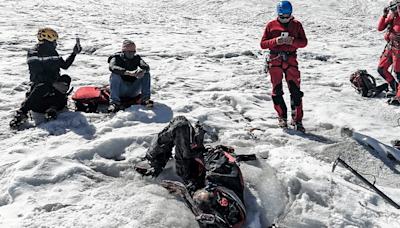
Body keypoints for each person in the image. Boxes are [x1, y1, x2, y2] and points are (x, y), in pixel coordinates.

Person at [134, 116, 249, 228]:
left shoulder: (212, 213)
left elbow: (201, 209)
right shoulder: (229, 193)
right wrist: (197, 149)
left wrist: (184, 192)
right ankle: (155, 159)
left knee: (180, 125)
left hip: (190, 172)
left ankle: (154, 161)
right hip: (201, 161)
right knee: (181, 125)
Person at [10, 27, 81, 128]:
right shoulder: (34, 53)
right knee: (43, 86)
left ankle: (53, 107)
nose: (56, 44)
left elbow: (64, 65)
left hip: (54, 86)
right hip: (41, 87)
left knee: (66, 78)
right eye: (54, 41)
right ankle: (23, 112)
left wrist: (74, 54)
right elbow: (37, 76)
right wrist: (53, 83)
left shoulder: (53, 52)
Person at [260, 1, 308, 132]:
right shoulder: (271, 25)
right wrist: (275, 41)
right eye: (282, 16)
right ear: (278, 14)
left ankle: (297, 120)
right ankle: (282, 118)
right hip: (275, 60)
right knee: (277, 91)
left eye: (287, 16)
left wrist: (293, 41)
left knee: (296, 91)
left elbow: (304, 42)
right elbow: (263, 44)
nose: (285, 19)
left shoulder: (297, 25)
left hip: (291, 60)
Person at [107, 40, 153, 113]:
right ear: (124, 51)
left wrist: (142, 71)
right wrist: (127, 73)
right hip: (121, 89)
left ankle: (145, 99)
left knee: (146, 73)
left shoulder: (137, 58)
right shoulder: (116, 58)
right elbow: (112, 67)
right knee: (114, 74)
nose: (131, 54)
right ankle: (114, 103)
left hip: (133, 89)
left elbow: (146, 66)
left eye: (133, 52)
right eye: (129, 52)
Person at [377, 0, 400, 97]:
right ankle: (395, 88)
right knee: (381, 69)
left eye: (395, 9)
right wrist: (384, 15)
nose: (393, 11)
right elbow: (380, 28)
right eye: (392, 9)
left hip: (398, 51)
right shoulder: (392, 17)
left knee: (399, 75)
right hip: (391, 48)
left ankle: (398, 95)